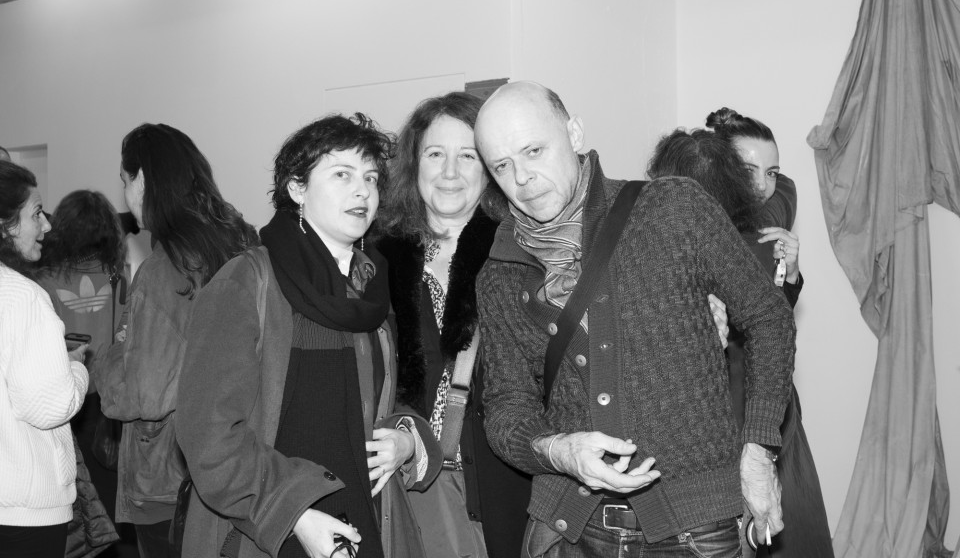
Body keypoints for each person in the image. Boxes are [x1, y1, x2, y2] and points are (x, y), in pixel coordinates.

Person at [473, 81, 797, 558]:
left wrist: (759, 451)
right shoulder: (500, 274)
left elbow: (769, 317)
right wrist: (557, 450)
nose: (522, 177)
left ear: (574, 133)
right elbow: (505, 405)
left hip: (695, 531)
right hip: (569, 528)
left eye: (534, 150)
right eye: (502, 165)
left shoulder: (672, 207)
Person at [177, 113, 441, 558]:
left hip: (365, 519)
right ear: (297, 188)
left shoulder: (372, 287)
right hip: (272, 527)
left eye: (371, 178)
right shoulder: (245, 282)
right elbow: (208, 435)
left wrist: (406, 439)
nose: (363, 190)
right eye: (342, 174)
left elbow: (386, 398)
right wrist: (295, 514)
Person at [377, 92, 532, 558]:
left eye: (467, 156)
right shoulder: (374, 262)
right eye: (435, 154)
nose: (449, 171)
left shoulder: (522, 255)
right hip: (406, 484)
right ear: (413, 164)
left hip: (506, 485)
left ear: (489, 168)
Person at [93, 123, 259, 558]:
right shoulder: (243, 245)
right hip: (235, 466)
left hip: (169, 481)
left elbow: (143, 395)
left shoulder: (163, 269)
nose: (124, 194)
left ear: (144, 180)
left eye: (125, 180)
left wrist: (106, 359)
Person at [702, 108, 834, 558]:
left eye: (771, 171)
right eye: (747, 170)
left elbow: (772, 322)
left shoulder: (770, 218)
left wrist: (790, 275)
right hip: (716, 410)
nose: (761, 185)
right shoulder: (691, 227)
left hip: (771, 404)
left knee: (795, 529)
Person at [0, 161, 89, 558]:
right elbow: (49, 406)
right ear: (5, 225)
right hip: (22, 510)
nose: (47, 225)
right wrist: (76, 369)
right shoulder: (23, 296)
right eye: (36, 213)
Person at [34, 190, 129, 557]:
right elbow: (126, 335)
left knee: (74, 499)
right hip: (106, 399)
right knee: (108, 491)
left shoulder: (43, 279)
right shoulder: (118, 276)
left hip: (63, 396)